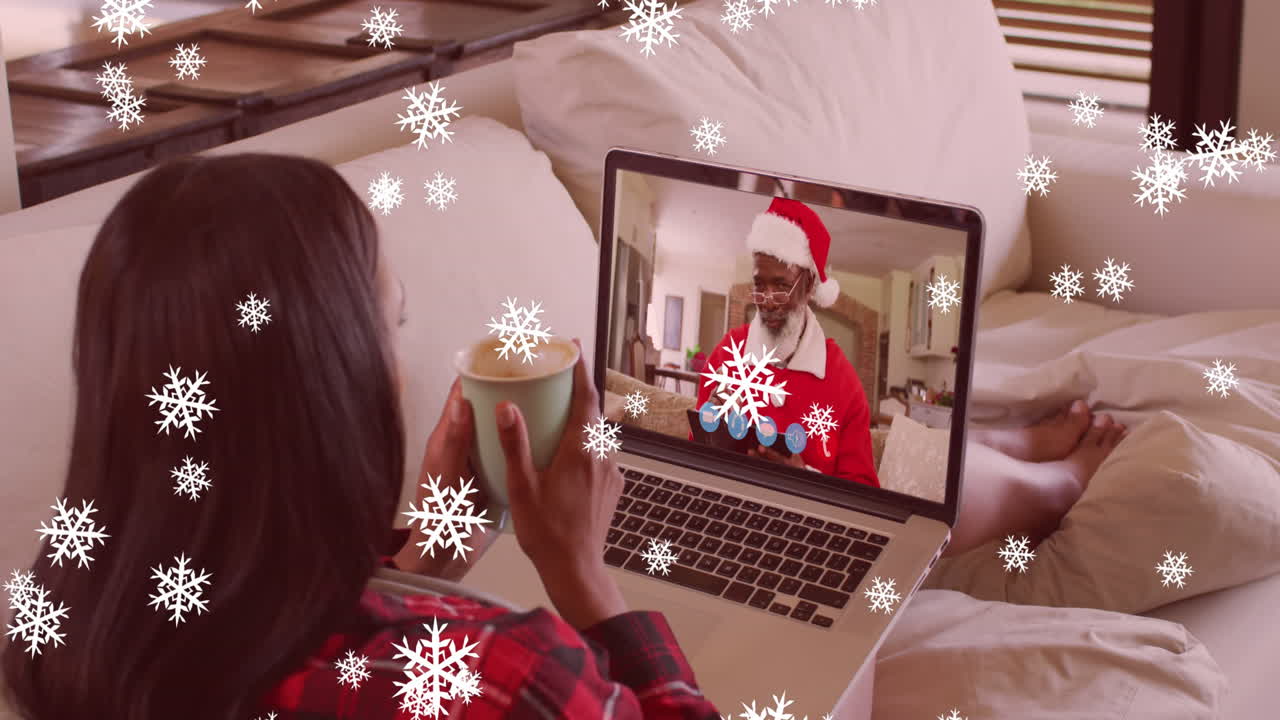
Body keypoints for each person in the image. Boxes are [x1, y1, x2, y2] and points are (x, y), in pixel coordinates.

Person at [1, 154, 1126, 720]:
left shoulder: (68, 628)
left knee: (893, 482)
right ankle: (1043, 480)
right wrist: (584, 577)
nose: (767, 286)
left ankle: (1023, 462)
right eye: (392, 325)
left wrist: (434, 549)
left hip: (817, 466)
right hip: (740, 492)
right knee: (902, 512)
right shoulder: (505, 672)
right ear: (328, 392)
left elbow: (307, 630)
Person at [693, 197, 881, 488]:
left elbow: (864, 492)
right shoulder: (727, 355)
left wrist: (802, 479)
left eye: (782, 285)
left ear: (809, 284)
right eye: (759, 285)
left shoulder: (843, 381)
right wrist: (712, 431)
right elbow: (693, 455)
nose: (767, 301)